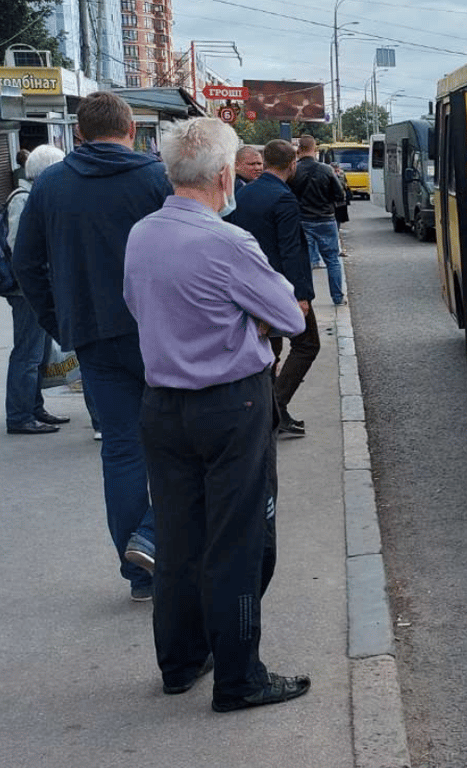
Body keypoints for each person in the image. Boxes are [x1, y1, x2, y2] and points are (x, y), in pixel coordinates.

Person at [123, 117, 309, 713]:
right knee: (239, 541)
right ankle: (240, 676)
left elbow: (140, 305)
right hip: (231, 404)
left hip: (163, 405)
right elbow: (291, 314)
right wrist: (245, 321)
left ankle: (180, 662)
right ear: (226, 175)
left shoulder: (143, 234)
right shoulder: (227, 242)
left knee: (179, 539)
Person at [12, 91, 172, 602]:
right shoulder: (154, 177)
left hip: (93, 336)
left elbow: (26, 262)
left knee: (123, 451)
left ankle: (141, 574)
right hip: (159, 332)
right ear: (130, 129)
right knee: (179, 443)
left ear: (78, 133)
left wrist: (58, 319)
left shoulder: (51, 184)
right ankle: (152, 536)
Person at [228, 139, 317, 438]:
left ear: (265, 162)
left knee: (271, 350)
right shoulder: (283, 198)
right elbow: (291, 249)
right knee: (307, 344)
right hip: (281, 287)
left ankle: (266, 413)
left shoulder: (245, 193)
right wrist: (301, 295)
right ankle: (274, 408)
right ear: (292, 164)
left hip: (250, 285)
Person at [5, 145, 68, 436]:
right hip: (25, 290)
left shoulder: (34, 196)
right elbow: (20, 248)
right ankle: (20, 415)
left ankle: (34, 407)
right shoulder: (23, 199)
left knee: (39, 352)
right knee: (28, 353)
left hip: (35, 286)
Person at [288, 135, 347, 304]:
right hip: (326, 219)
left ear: (299, 150)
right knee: (333, 260)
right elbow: (339, 194)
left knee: (303, 262)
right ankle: (337, 297)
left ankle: (305, 299)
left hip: (303, 220)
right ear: (316, 150)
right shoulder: (326, 170)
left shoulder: (294, 170)